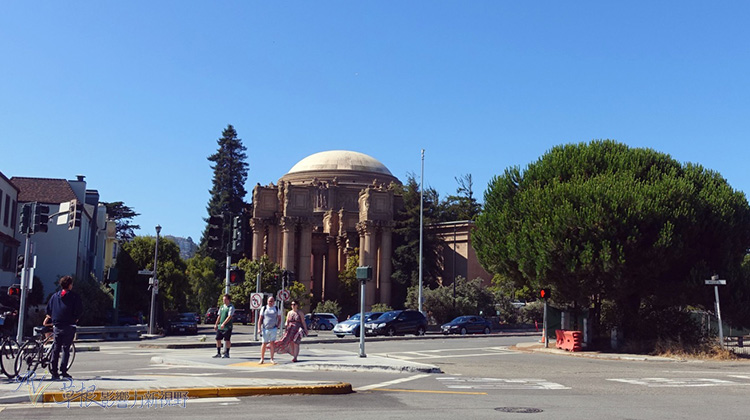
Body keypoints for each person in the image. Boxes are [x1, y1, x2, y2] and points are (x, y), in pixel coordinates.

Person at [44, 275, 83, 380]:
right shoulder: (74, 297)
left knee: (56, 348)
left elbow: (48, 310)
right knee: (66, 348)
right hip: (69, 325)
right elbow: (79, 310)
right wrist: (76, 318)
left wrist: (53, 317)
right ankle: (63, 371)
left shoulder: (55, 296)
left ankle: (54, 371)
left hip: (57, 325)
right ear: (70, 285)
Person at [257, 296, 282, 364]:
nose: (270, 302)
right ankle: (262, 358)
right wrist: (259, 328)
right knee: (264, 343)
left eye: (272, 301)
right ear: (267, 301)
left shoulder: (276, 308)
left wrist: (277, 326)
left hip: (273, 328)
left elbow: (279, 318)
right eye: (269, 301)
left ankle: (272, 359)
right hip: (265, 328)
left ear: (274, 302)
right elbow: (260, 319)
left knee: (272, 343)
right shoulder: (264, 308)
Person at [213, 294, 234, 358]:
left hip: (227, 327)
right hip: (220, 326)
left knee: (227, 339)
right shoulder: (222, 307)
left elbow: (229, 316)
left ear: (228, 300)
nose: (223, 301)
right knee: (218, 338)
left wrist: (224, 324)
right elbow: (219, 316)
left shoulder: (231, 307)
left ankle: (227, 353)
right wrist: (216, 324)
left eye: (225, 299)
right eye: (223, 299)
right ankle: (218, 353)